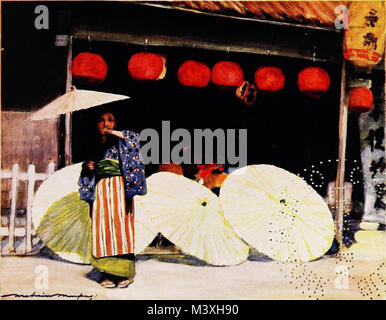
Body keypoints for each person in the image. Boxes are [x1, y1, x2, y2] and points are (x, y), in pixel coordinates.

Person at [78, 110, 147, 288]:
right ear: (96, 124)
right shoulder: (93, 144)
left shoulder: (121, 141)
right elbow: (87, 168)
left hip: (120, 189)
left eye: (110, 120)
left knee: (121, 228)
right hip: (101, 189)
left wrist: (112, 132)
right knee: (103, 229)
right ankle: (106, 273)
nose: (106, 124)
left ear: (116, 123)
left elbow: (134, 138)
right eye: (101, 121)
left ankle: (124, 273)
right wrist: (89, 166)